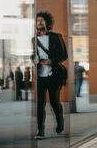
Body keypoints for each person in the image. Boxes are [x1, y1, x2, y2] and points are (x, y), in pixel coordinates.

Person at [33, 11, 68, 140]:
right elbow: (32, 54)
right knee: (40, 105)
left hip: (53, 75)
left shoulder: (55, 37)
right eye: (38, 20)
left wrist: (51, 61)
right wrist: (34, 59)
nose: (40, 22)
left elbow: (64, 55)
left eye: (42, 20)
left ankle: (60, 123)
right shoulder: (34, 39)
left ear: (47, 22)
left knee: (54, 102)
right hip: (40, 76)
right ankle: (40, 131)